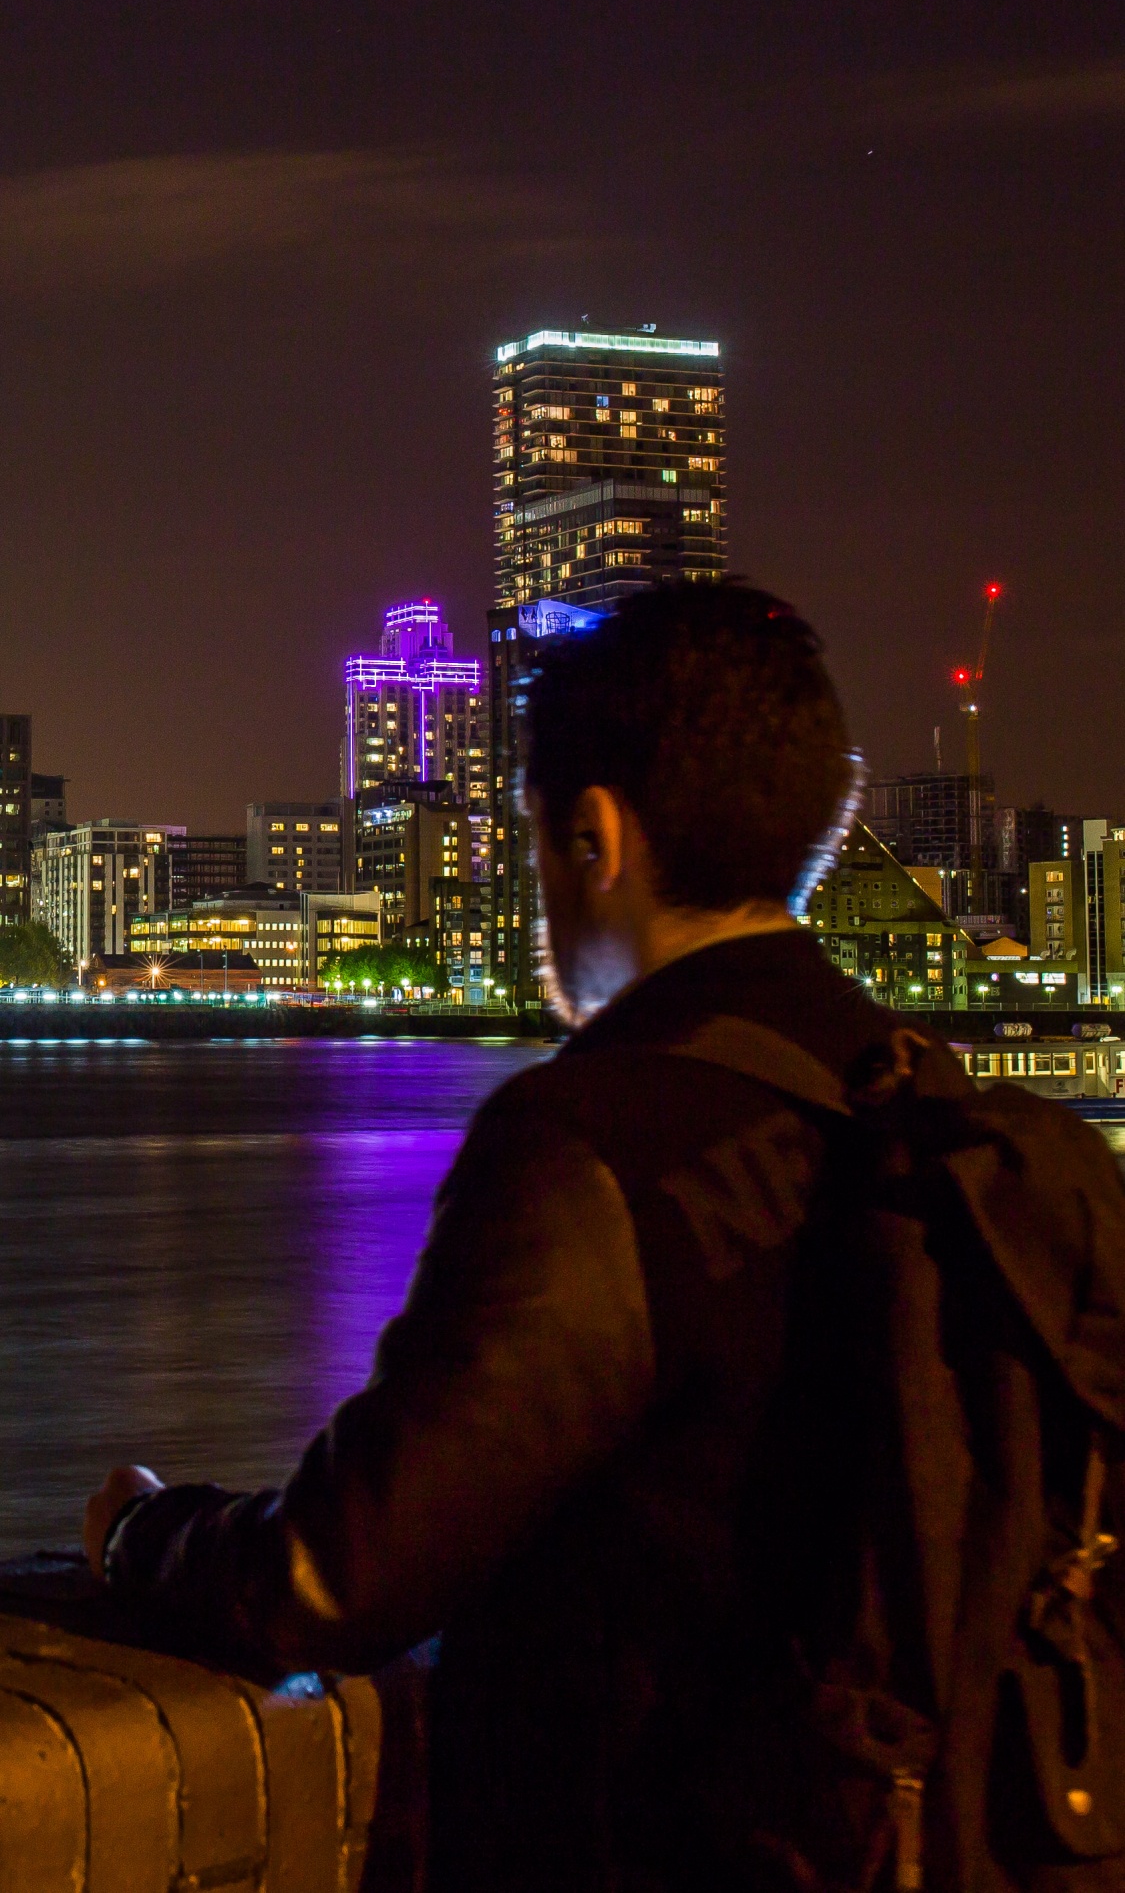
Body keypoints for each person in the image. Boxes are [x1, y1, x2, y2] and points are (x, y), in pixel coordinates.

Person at [85, 581, 1125, 1893]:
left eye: (534, 847)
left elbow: (341, 1572)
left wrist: (143, 1532)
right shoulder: (985, 1139)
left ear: (593, 834)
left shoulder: (592, 1142)